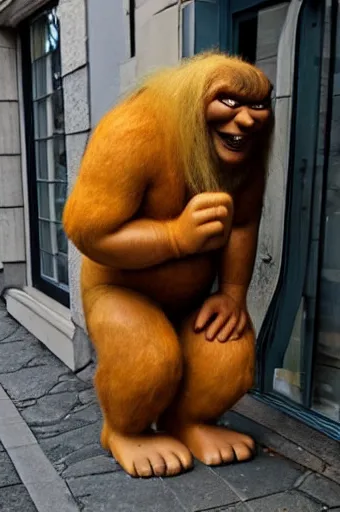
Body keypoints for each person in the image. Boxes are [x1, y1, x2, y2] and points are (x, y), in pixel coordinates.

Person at [63, 52, 274, 478]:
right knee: (149, 361)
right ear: (196, 101)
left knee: (230, 355)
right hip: (120, 290)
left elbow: (243, 222)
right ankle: (124, 430)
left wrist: (232, 294)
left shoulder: (243, 149)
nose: (248, 120)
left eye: (259, 106)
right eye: (230, 104)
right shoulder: (135, 129)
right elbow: (87, 231)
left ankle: (187, 422)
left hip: (193, 299)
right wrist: (175, 237)